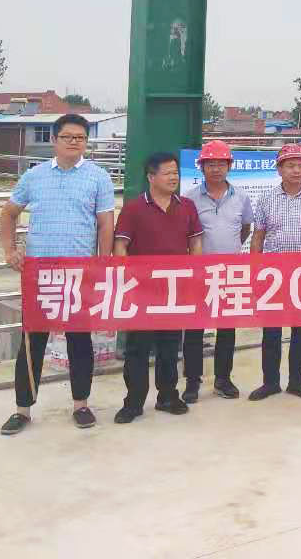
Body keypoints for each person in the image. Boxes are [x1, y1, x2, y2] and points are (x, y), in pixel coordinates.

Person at [0, 113, 115, 436]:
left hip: (79, 273)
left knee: (80, 340)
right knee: (32, 342)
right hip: (40, 273)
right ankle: (22, 409)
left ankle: (81, 405)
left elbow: (105, 223)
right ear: (54, 140)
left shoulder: (98, 177)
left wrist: (103, 262)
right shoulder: (34, 176)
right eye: (67, 137)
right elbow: (9, 213)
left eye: (80, 137)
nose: (74, 142)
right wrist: (10, 250)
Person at [113, 152, 204, 424]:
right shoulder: (133, 209)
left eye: (176, 172)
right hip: (141, 290)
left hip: (174, 290)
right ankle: (133, 402)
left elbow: (195, 243)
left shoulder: (187, 206)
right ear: (151, 177)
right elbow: (120, 246)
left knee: (170, 346)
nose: (174, 177)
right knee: (137, 349)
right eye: (167, 173)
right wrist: (126, 280)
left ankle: (167, 396)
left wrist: (194, 275)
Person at [249, 144, 301, 401]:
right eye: (290, 165)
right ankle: (270, 383)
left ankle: (296, 381)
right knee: (271, 331)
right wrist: (255, 270)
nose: (296, 170)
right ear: (279, 169)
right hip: (273, 275)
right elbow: (258, 236)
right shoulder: (266, 199)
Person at [181, 139, 253, 403]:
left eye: (221, 163)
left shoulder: (241, 197)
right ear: (201, 167)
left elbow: (245, 229)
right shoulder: (189, 198)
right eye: (210, 164)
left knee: (227, 328)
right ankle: (192, 382)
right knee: (194, 328)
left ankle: (223, 379)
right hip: (199, 273)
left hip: (230, 272)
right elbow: (185, 233)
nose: (216, 169)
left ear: (229, 166)